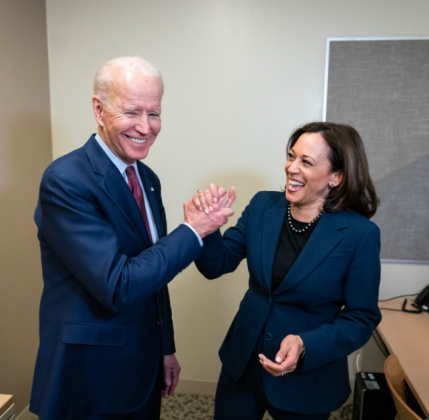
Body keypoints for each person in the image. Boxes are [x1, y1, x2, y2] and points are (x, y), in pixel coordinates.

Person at [29, 57, 234, 420]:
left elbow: (153, 273)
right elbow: (119, 283)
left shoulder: (146, 177)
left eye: (154, 113)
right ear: (98, 109)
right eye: (132, 112)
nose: (145, 127)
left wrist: (164, 348)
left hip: (142, 364)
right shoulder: (66, 180)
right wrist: (194, 229)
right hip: (91, 374)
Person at [192, 122, 382, 420]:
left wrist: (307, 344)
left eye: (306, 162)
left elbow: (362, 317)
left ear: (336, 176)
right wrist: (206, 229)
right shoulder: (261, 206)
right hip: (243, 364)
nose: (291, 168)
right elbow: (216, 265)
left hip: (307, 379)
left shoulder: (360, 235)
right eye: (292, 156)